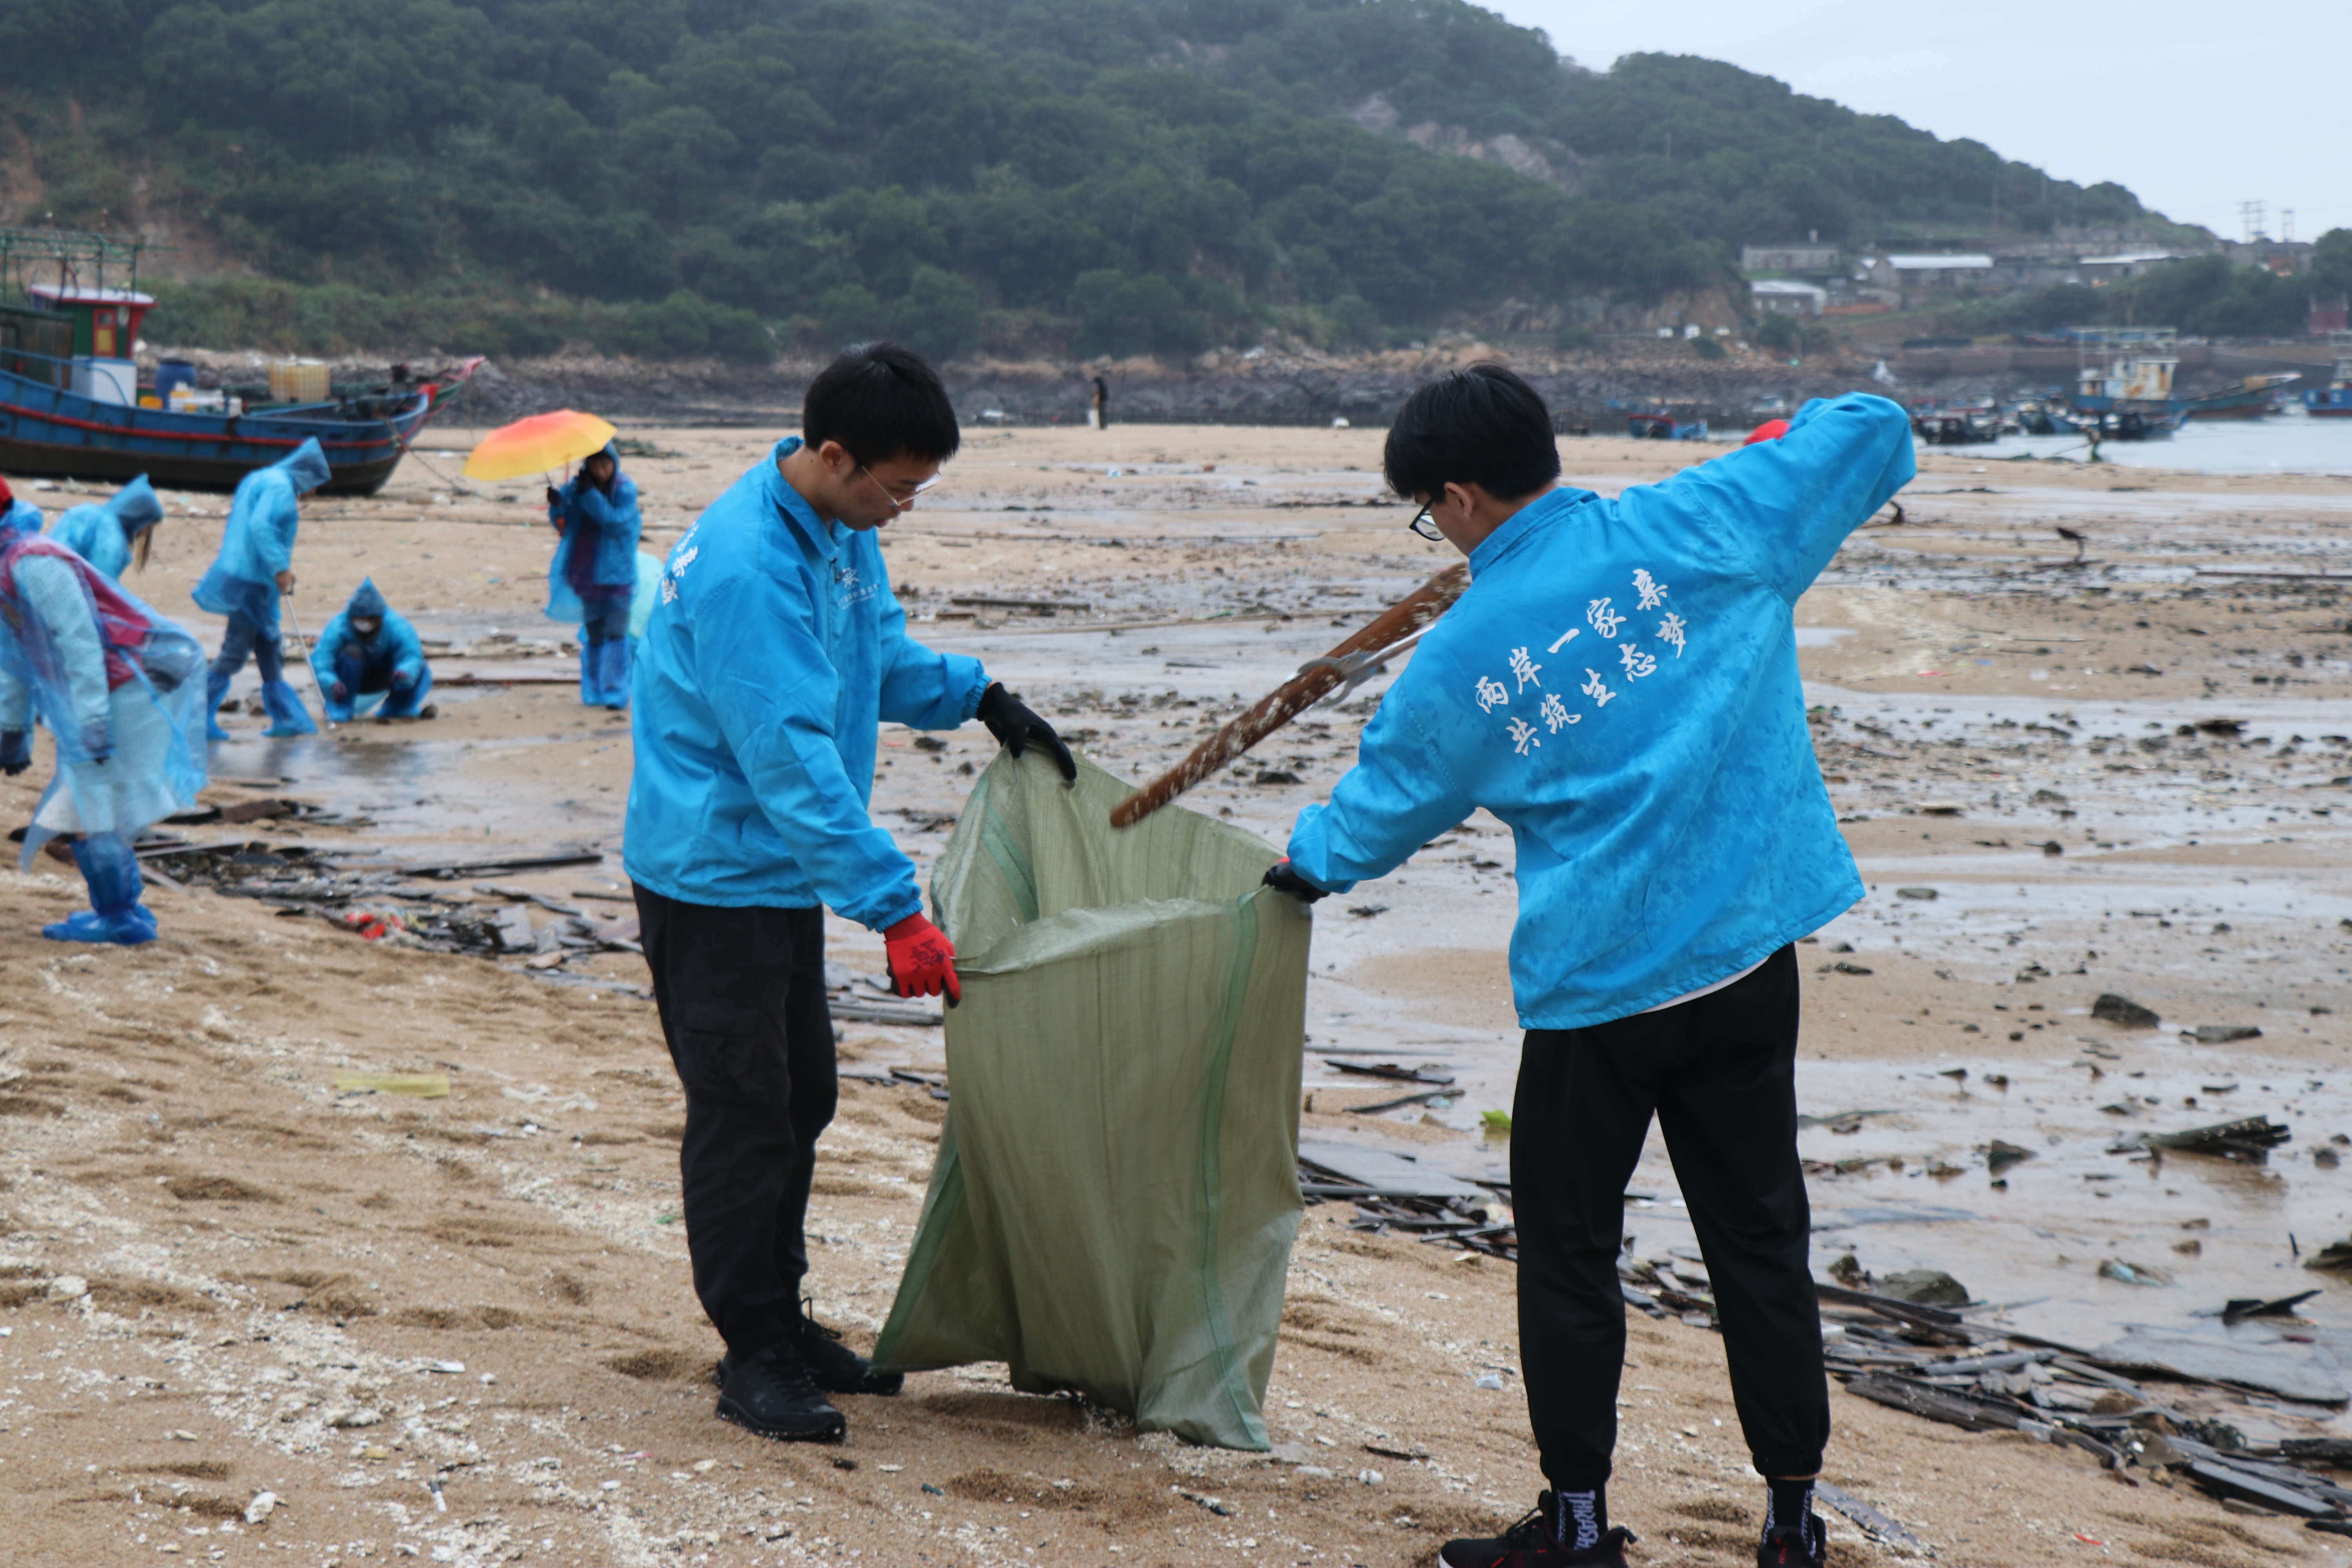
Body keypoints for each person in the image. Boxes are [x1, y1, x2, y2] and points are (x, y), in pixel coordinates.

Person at [1265, 367, 1914, 1568]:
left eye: (1428, 510)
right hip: (1741, 962)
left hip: (1596, 993)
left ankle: (1573, 1526)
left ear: (1458, 495)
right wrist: (1785, 434)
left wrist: (1295, 871)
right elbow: (1870, 426)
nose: (1435, 531)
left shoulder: (1463, 652)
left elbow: (1378, 809)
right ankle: (1789, 1523)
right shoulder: (1704, 518)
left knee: (1570, 1252)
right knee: (1759, 1238)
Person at [624, 342, 1076, 1447]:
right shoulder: (745, 568)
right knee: (745, 1115)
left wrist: (983, 698)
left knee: (802, 1098)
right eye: (899, 488)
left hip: (777, 873)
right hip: (713, 873)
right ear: (835, 455)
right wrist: (898, 909)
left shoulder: (836, 533)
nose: (904, 509)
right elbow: (790, 760)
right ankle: (755, 1352)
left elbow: (875, 662)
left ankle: (781, 1317)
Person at [0, 485, 209, 944]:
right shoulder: (9, 565)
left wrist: (94, 721)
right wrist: (13, 730)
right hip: (102, 690)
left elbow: (81, 643)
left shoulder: (32, 562)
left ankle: (120, 916)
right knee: (88, 801)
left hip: (125, 686)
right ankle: (122, 909)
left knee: (93, 802)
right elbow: (15, 656)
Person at [194, 438, 330, 739]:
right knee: (235, 651)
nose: (316, 491)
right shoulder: (280, 488)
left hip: (247, 574)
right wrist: (281, 567)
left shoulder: (261, 478)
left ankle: (285, 717)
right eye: (317, 482)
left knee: (269, 644)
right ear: (307, 473)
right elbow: (261, 527)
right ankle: (195, 716)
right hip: (252, 579)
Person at [546, 441, 641, 710]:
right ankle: (595, 690)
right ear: (588, 465)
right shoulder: (577, 489)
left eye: (606, 465)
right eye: (596, 465)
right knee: (595, 634)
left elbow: (614, 522)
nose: (601, 471)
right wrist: (557, 506)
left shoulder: (625, 489)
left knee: (616, 632)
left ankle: (615, 691)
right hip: (587, 572)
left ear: (614, 464)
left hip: (618, 573)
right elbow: (565, 524)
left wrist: (589, 495)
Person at [310, 578, 432, 722]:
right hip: (347, 681)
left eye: (371, 619)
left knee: (421, 668)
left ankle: (399, 707)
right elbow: (321, 661)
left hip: (388, 677)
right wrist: (332, 683)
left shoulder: (397, 626)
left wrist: (405, 671)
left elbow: (412, 655)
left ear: (380, 617)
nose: (366, 623)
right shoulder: (338, 626)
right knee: (352, 652)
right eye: (360, 619)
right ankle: (340, 708)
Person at [48, 474, 164, 581]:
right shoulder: (111, 535)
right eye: (149, 526)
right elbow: (102, 584)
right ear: (139, 516)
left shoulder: (87, 510)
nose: (146, 532)